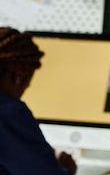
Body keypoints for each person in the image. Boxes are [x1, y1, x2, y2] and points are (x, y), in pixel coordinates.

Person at [0, 27, 77, 175]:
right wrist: (66, 170)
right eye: (28, 80)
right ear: (18, 76)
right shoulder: (9, 112)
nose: (27, 86)